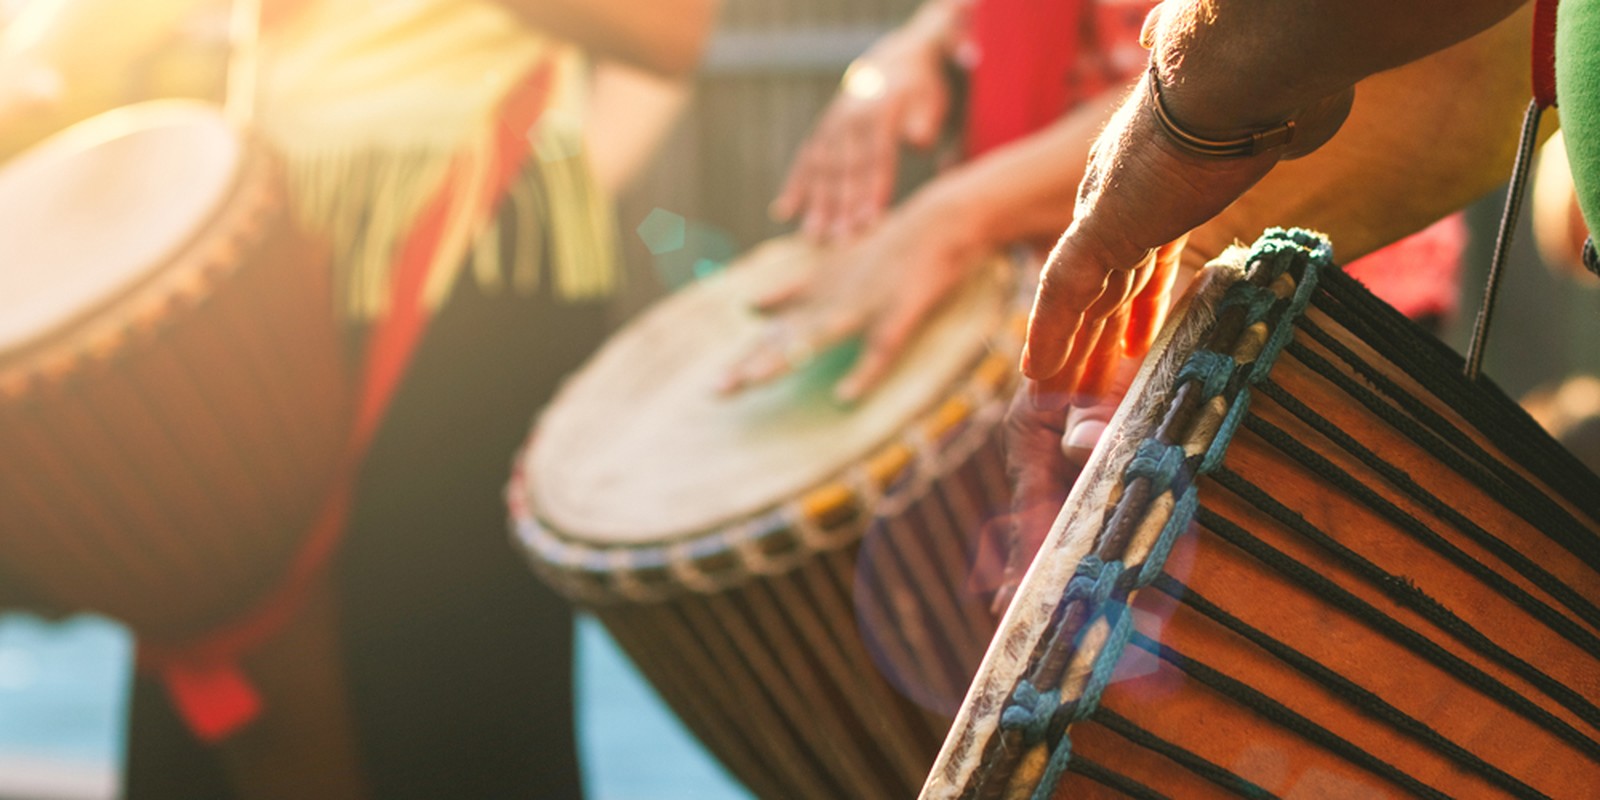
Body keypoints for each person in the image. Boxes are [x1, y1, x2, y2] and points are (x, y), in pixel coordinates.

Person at [0, 1, 715, 797]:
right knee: (216, 710)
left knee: (436, 708)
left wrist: (571, 170)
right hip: (264, 239)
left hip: (468, 256)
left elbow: (665, 31)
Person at [722, 0, 1532, 599]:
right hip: (1100, 294)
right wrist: (926, 34)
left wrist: (961, 212)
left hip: (1287, 300)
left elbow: (1315, 38)